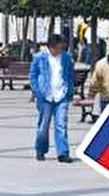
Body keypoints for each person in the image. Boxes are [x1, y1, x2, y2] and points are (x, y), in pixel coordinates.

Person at [29, 34, 74, 162]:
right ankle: (40, 150)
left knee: (61, 124)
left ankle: (63, 153)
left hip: (61, 95)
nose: (60, 50)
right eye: (58, 48)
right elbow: (33, 76)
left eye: (62, 48)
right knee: (43, 125)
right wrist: (38, 91)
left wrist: (69, 90)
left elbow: (69, 74)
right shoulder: (39, 57)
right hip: (45, 96)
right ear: (51, 47)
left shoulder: (66, 58)